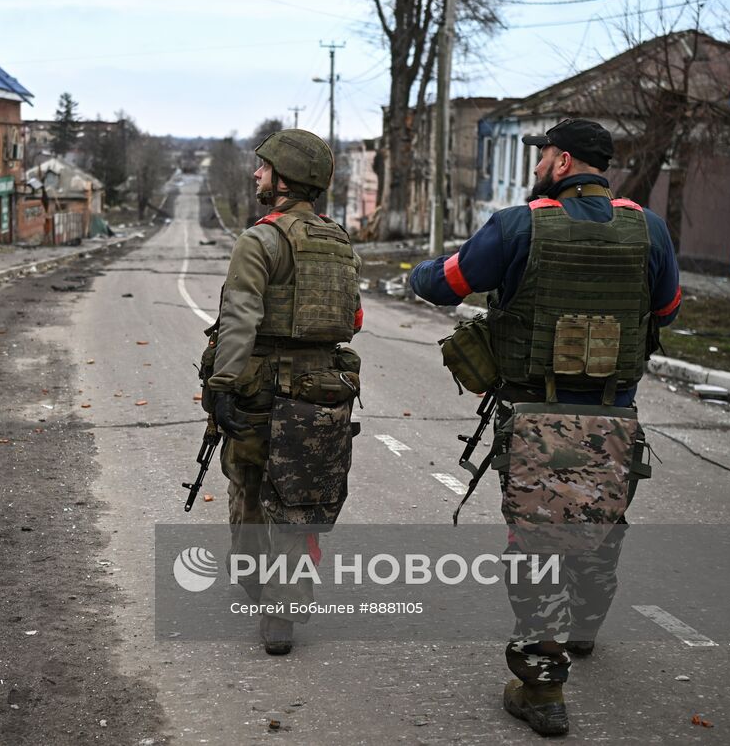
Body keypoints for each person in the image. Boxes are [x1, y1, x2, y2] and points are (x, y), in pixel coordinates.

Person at [409, 118, 681, 736]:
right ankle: (586, 622)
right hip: (614, 417)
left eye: (542, 156)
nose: (536, 166)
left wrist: (417, 273)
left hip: (534, 420)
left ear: (562, 163)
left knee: (535, 543)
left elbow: (448, 283)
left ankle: (543, 688)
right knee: (598, 515)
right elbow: (666, 309)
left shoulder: (518, 225)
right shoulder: (650, 228)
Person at [200, 129, 363, 656]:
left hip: (261, 390)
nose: (256, 174)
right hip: (322, 392)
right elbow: (353, 319)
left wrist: (222, 386)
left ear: (285, 179)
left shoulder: (260, 240)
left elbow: (239, 318)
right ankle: (284, 610)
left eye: (264, 167)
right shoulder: (338, 241)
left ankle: (260, 592)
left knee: (250, 487)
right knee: (299, 499)